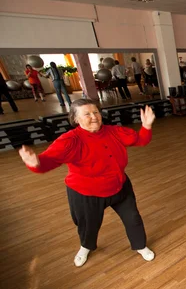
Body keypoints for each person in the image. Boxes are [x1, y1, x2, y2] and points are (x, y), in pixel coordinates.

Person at [18, 99, 156, 267]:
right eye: (87, 114)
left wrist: (146, 126)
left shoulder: (114, 131)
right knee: (88, 225)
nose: (94, 117)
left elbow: (140, 140)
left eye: (96, 112)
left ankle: (140, 246)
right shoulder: (70, 140)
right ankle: (85, 246)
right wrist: (34, 163)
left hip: (118, 185)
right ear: (76, 119)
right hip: (86, 192)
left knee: (133, 218)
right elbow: (47, 162)